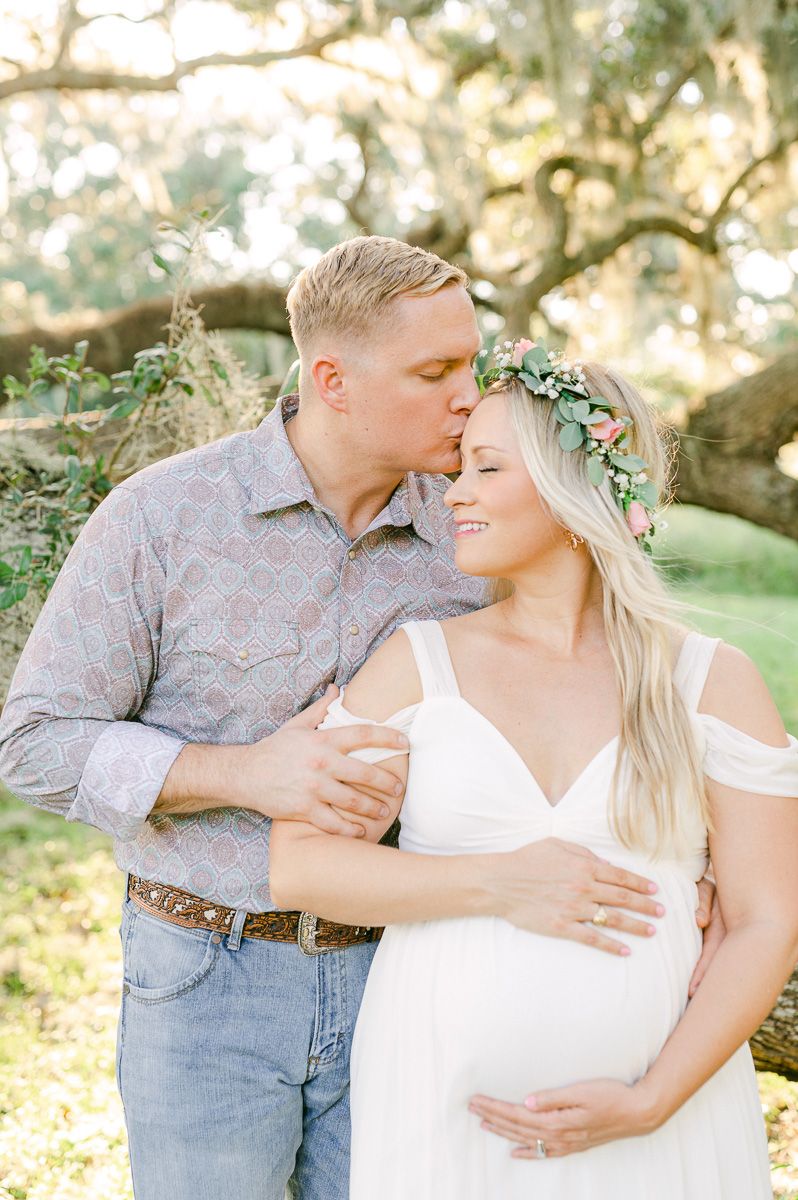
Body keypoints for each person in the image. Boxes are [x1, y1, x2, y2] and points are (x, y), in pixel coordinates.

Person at [0, 240, 700, 1200]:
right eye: (436, 372)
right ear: (331, 378)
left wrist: (678, 867)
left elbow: (597, 690)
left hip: (411, 976)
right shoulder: (162, 520)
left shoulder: (481, 533)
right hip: (208, 977)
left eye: (473, 364)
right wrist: (243, 774)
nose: (469, 395)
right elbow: (34, 741)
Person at [269, 342, 798, 1199]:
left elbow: (768, 920)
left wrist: (651, 1102)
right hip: (444, 1102)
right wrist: (499, 884)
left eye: (486, 467)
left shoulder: (709, 681)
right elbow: (301, 865)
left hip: (663, 1118)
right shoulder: (417, 661)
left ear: (571, 486)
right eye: (459, 467)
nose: (457, 491)